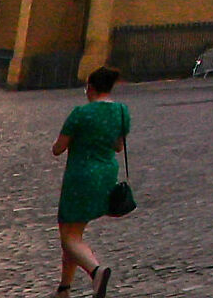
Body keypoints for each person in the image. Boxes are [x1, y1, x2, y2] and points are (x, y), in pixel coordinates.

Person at [53, 66, 129, 296]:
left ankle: (97, 271)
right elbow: (118, 146)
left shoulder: (80, 113)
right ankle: (64, 289)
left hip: (80, 177)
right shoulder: (121, 112)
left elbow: (58, 148)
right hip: (106, 175)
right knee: (74, 233)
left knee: (69, 237)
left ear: (91, 88)